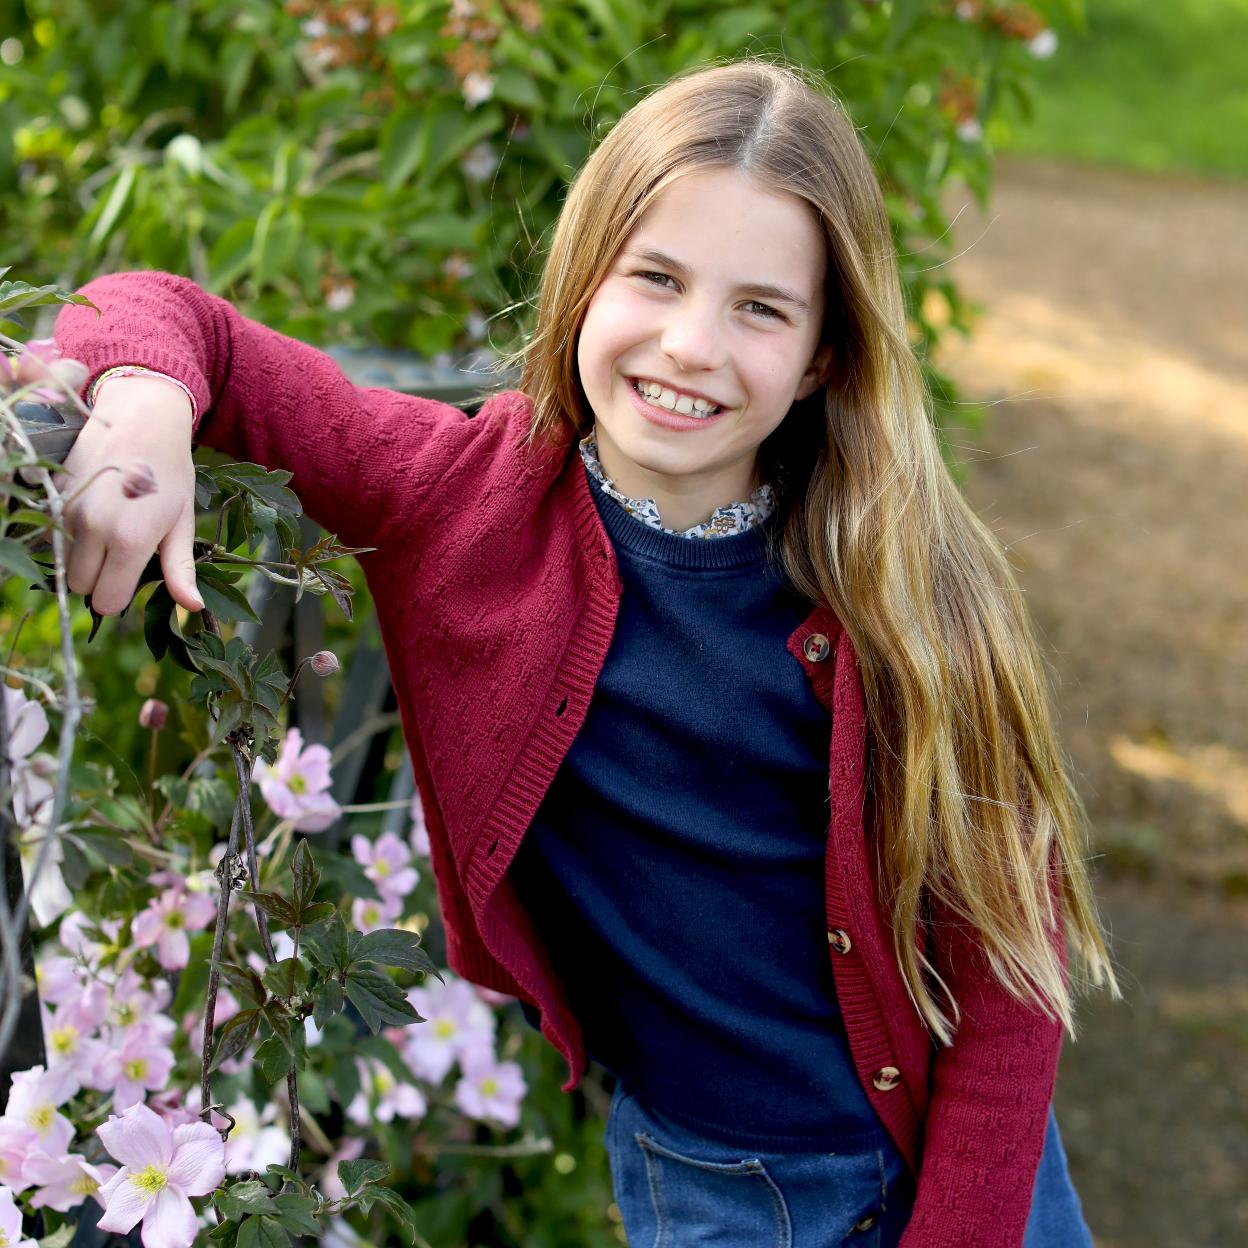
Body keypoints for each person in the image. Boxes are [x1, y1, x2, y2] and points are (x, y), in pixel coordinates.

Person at [53, 59, 1119, 1248]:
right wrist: (145, 397)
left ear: (825, 354)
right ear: (582, 279)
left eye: (760, 308)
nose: (691, 344)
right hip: (714, 1189)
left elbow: (1010, 957)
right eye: (654, 277)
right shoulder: (457, 497)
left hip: (969, 1170)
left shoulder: (905, 576)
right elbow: (163, 310)